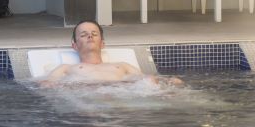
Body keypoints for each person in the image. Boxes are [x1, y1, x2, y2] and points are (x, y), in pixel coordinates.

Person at [41, 20, 182, 86]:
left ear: (102, 43)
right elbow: (47, 84)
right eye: (84, 35)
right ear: (74, 45)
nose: (90, 36)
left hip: (122, 94)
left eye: (94, 34)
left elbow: (144, 78)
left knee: (151, 79)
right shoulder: (66, 68)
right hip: (87, 96)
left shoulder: (122, 66)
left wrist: (167, 80)